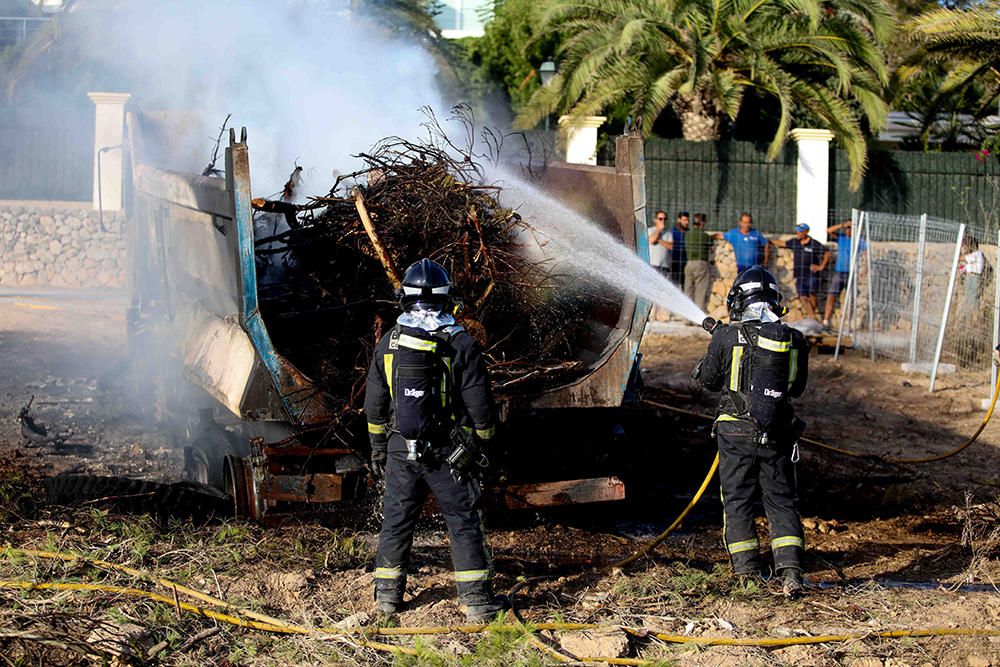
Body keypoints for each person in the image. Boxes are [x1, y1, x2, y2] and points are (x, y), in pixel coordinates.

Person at [364, 258, 504, 621]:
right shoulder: (460, 342)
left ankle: (387, 599)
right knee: (462, 520)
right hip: (447, 451)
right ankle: (476, 603)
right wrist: (483, 446)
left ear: (404, 297)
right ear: (447, 298)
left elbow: (374, 407)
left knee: (396, 520)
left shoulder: (388, 344)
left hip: (399, 448)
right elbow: (480, 408)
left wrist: (380, 448)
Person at [691, 265, 810, 597]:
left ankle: (747, 575)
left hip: (735, 435)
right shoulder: (793, 339)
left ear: (738, 301)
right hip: (777, 432)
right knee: (782, 500)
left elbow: (707, 381)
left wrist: (717, 342)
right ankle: (791, 574)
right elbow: (797, 388)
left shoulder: (727, 337)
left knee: (738, 501)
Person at [774, 224, 830, 321]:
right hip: (800, 275)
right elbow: (782, 243)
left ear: (806, 232)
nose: (797, 233)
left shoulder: (814, 244)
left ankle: (812, 315)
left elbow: (827, 253)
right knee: (802, 296)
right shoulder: (795, 242)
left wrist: (821, 267)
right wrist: (767, 240)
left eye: (800, 231)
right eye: (797, 231)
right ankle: (812, 318)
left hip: (811, 275)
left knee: (812, 295)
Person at [823, 219, 866, 329]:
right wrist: (842, 224)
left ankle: (847, 323)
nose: (848, 230)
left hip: (851, 273)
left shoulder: (858, 241)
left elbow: (866, 255)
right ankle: (826, 320)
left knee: (850, 298)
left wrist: (863, 270)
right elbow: (828, 231)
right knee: (831, 295)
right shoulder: (841, 238)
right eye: (847, 228)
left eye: (850, 228)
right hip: (839, 272)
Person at [684, 213, 713, 312]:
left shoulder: (688, 234)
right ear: (703, 222)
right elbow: (711, 246)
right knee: (700, 291)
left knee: (688, 290)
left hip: (689, 263)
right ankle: (698, 316)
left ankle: (687, 318)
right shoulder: (705, 236)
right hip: (701, 264)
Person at [665, 211, 690, 287]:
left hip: (685, 262)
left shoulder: (688, 233)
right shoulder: (672, 232)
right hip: (674, 262)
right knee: (673, 285)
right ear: (679, 220)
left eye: (688, 220)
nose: (687, 222)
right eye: (684, 220)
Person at [647, 210, 671, 277]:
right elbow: (651, 240)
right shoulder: (650, 230)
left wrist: (658, 240)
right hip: (653, 264)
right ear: (655, 220)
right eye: (660, 219)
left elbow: (671, 246)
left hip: (664, 265)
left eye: (665, 219)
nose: (663, 221)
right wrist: (659, 230)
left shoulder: (668, 232)